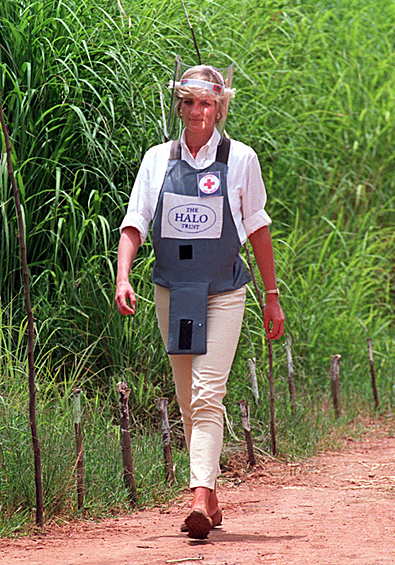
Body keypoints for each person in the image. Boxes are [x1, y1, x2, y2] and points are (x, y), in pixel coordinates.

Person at [114, 62, 285, 539]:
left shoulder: (241, 159)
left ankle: (195, 497)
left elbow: (258, 229)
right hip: (173, 290)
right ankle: (211, 497)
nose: (196, 112)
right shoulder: (157, 159)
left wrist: (272, 296)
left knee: (210, 392)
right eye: (188, 102)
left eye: (206, 103)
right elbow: (135, 221)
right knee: (190, 398)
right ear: (179, 104)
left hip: (224, 291)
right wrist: (123, 276)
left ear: (220, 107)